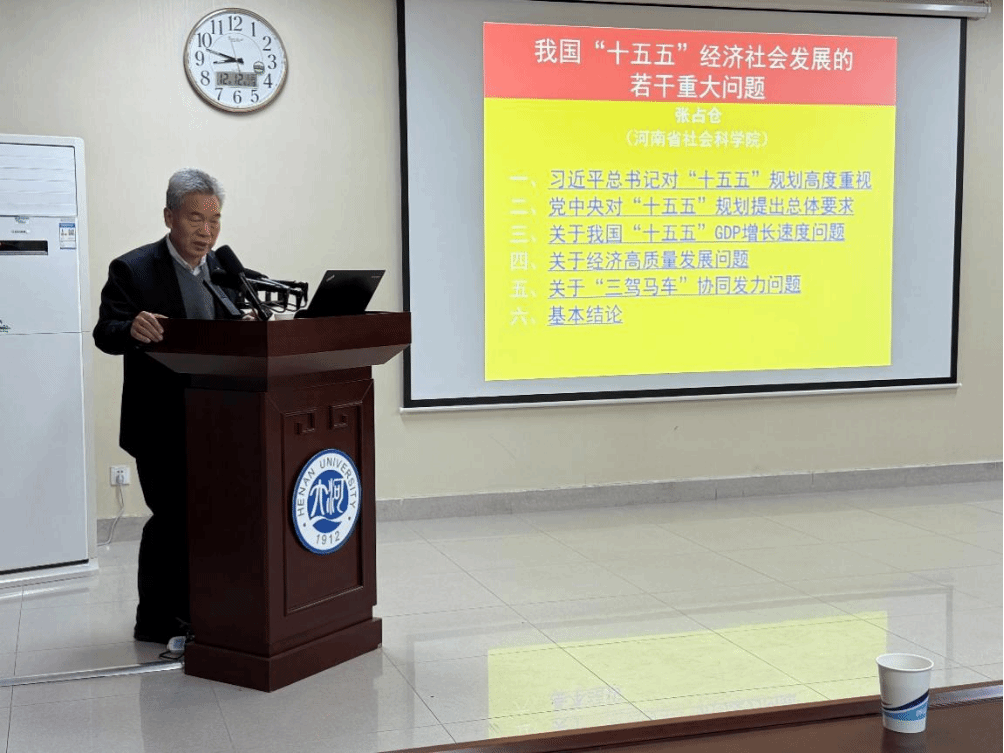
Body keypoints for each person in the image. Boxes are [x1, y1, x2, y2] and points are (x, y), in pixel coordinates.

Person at [93, 168, 241, 644]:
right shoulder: (133, 269)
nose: (206, 231)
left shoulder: (225, 273)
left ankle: (203, 611)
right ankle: (156, 621)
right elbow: (105, 333)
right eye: (196, 218)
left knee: (211, 517)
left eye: (214, 220)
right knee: (173, 518)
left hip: (216, 419)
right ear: (169, 216)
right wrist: (130, 328)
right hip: (159, 421)